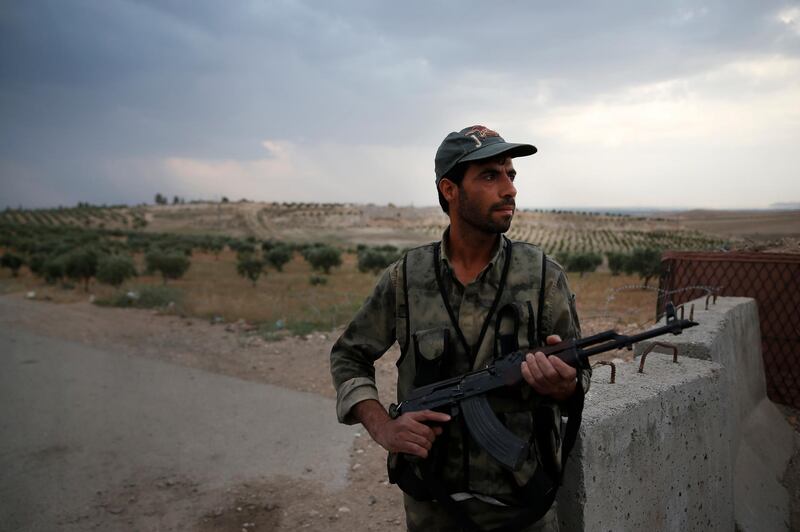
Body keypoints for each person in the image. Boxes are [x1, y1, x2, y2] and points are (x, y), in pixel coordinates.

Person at [330, 125, 590, 532]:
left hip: (522, 508)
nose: (509, 189)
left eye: (511, 174)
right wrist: (384, 427)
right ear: (449, 190)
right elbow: (349, 355)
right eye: (490, 175)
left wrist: (565, 386)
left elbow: (579, 374)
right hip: (432, 506)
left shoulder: (542, 278)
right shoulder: (406, 279)